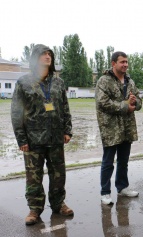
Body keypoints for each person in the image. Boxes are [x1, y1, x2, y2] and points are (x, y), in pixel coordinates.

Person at [11, 44, 74, 225]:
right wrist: (21, 139)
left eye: (50, 54)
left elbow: (65, 108)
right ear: (35, 58)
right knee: (34, 176)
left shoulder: (58, 82)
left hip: (55, 138)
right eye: (44, 54)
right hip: (33, 140)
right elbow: (17, 113)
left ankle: (58, 204)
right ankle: (34, 209)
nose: (48, 57)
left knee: (58, 175)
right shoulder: (24, 82)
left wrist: (67, 130)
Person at [95, 51, 141, 205]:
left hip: (127, 127)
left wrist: (134, 103)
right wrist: (125, 106)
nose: (125, 65)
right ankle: (105, 192)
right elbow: (103, 103)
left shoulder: (130, 81)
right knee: (108, 161)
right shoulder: (104, 81)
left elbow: (139, 101)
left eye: (126, 62)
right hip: (111, 128)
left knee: (123, 160)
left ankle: (122, 187)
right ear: (113, 63)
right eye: (122, 62)